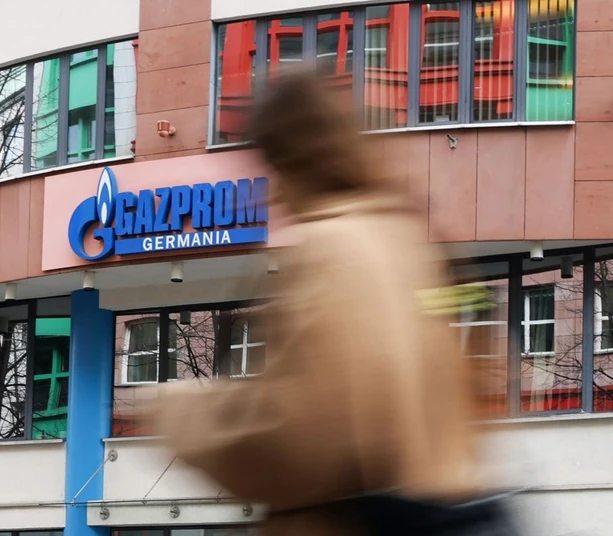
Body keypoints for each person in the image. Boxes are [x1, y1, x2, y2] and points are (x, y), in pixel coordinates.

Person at [145, 71, 514, 535]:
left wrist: (184, 415)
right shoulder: (404, 238)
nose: (270, 192)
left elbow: (303, 440)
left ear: (288, 161)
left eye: (268, 168)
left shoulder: (329, 250)